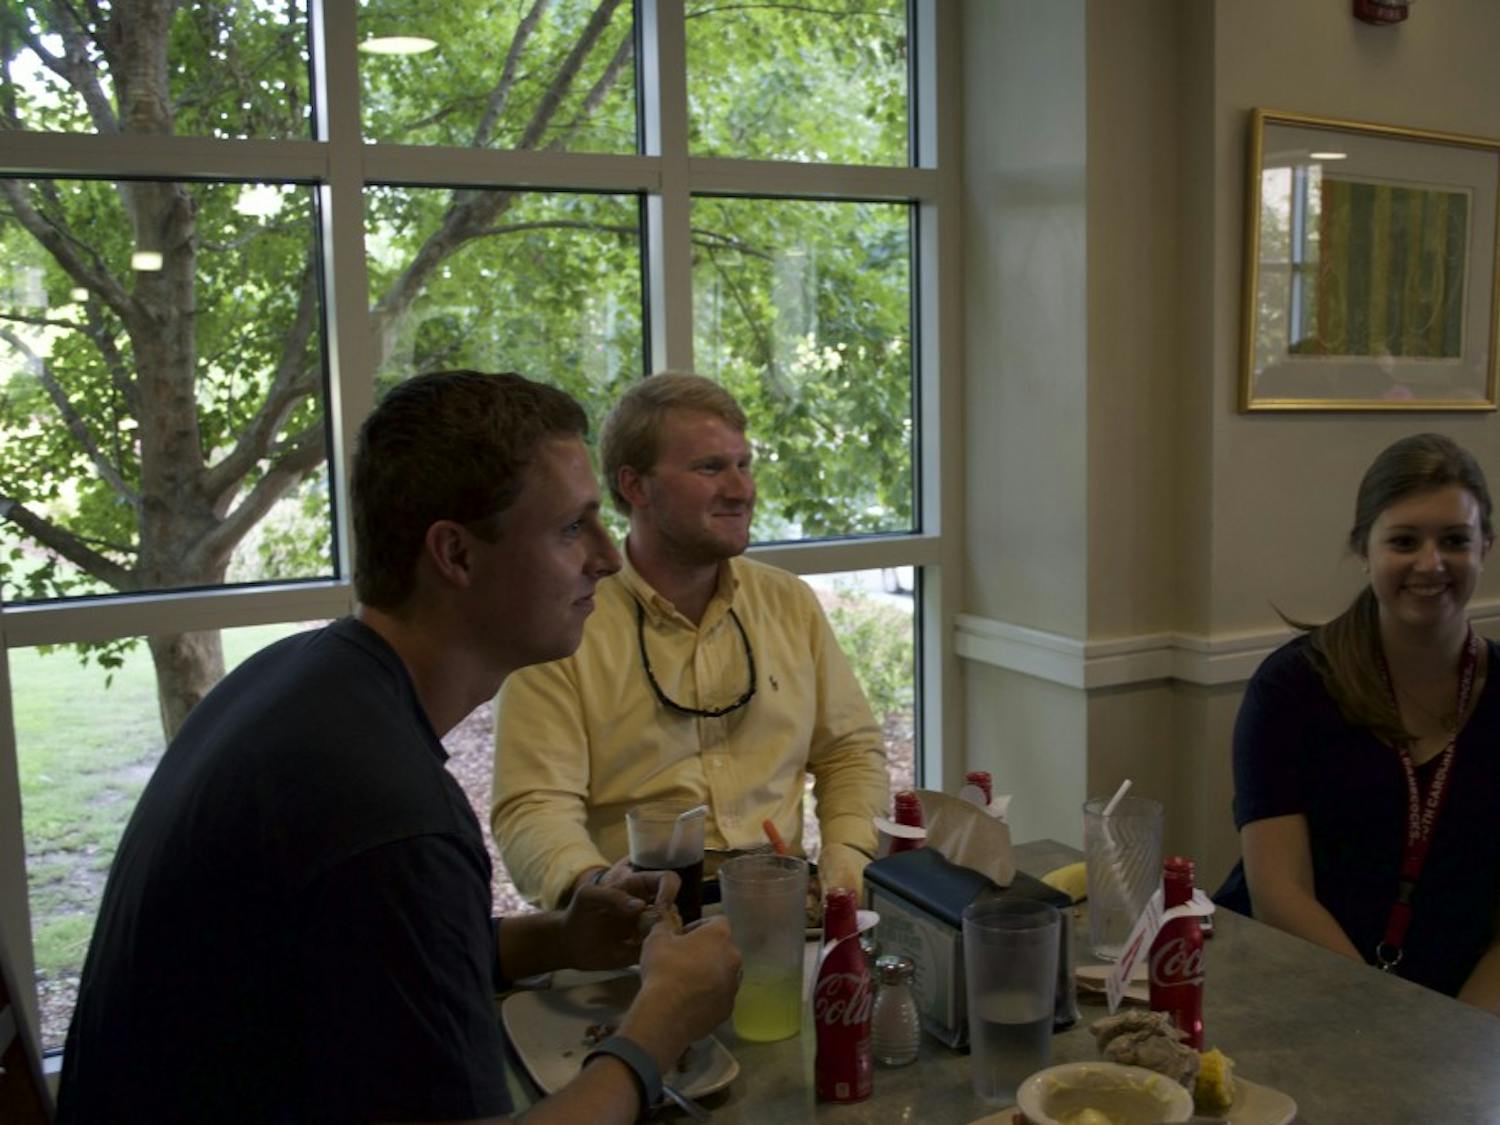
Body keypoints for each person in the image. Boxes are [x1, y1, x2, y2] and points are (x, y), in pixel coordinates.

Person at [56, 371, 741, 1124]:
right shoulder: (389, 814)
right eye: (573, 528)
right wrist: (657, 1027)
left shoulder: (297, 678)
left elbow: (356, 961)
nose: (608, 558)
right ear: (455, 553)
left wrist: (556, 936)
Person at [492, 372, 889, 910]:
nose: (741, 489)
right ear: (635, 487)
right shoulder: (564, 623)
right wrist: (596, 891)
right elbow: (534, 805)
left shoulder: (787, 602)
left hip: (785, 915)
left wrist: (848, 858)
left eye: (743, 465)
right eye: (710, 468)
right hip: (636, 933)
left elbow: (848, 754)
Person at [1219, 432, 1500, 1011]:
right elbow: (1280, 894)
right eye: (1403, 540)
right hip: (1291, 985)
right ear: (1364, 549)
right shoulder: (1292, 687)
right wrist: (1386, 1023)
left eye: (1454, 540)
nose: (1431, 563)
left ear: (1486, 547)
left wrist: (1465, 1035)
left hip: (1456, 1010)